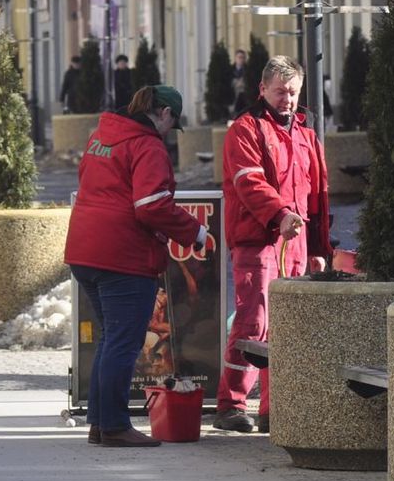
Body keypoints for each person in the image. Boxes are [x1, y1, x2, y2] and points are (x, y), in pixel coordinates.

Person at [64, 85, 211, 447]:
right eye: (171, 122)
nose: (168, 132)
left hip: (85, 250)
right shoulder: (146, 145)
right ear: (163, 113)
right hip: (122, 256)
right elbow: (151, 205)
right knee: (124, 343)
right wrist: (195, 231)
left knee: (110, 339)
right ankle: (113, 426)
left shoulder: (103, 136)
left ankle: (100, 424)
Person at [216, 56, 331, 433]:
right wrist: (280, 215)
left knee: (287, 325)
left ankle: (273, 409)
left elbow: (318, 197)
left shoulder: (305, 135)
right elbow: (249, 182)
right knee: (254, 323)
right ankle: (231, 404)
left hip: (294, 240)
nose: (288, 99)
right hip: (260, 240)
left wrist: (318, 248)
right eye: (280, 91)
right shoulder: (246, 130)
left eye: (293, 92)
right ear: (262, 89)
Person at [231, 49, 248, 117]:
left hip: (244, 94)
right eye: (239, 57)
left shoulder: (248, 69)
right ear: (235, 58)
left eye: (243, 57)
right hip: (234, 94)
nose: (241, 59)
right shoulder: (231, 69)